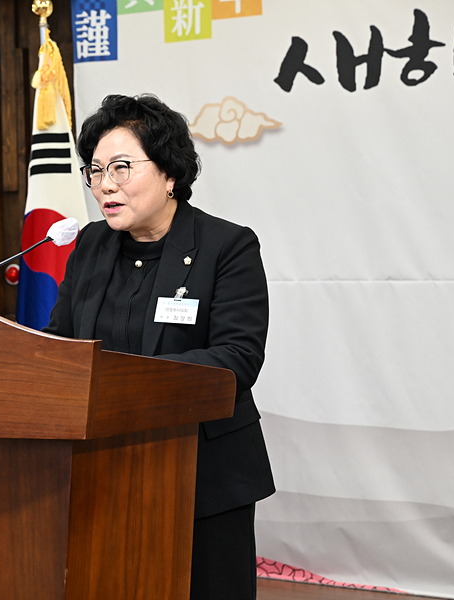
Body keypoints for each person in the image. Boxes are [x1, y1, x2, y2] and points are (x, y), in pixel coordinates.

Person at [44, 94, 275, 599]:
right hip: (103, 470)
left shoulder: (226, 246)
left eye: (121, 167)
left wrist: (124, 385)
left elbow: (236, 359)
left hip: (203, 474)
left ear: (169, 173)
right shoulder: (90, 245)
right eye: (95, 170)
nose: (105, 184)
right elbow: (61, 346)